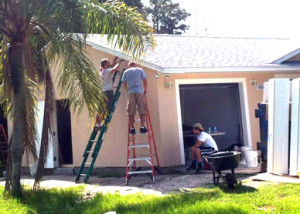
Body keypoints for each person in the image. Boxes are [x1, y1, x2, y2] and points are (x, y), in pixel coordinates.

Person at [121, 61, 147, 134]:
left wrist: (127, 90)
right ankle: (142, 127)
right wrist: (144, 89)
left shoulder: (126, 71)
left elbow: (124, 82)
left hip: (131, 92)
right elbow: (145, 80)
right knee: (142, 109)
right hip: (139, 92)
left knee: (130, 111)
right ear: (135, 65)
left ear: (129, 66)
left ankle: (132, 128)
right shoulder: (140, 70)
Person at [95, 56, 120, 128]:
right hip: (108, 92)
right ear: (105, 64)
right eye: (108, 62)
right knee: (106, 109)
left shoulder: (102, 71)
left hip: (103, 91)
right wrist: (119, 63)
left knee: (100, 109)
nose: (109, 62)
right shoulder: (107, 71)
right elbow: (115, 68)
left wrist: (114, 59)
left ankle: (97, 124)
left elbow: (112, 66)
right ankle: (99, 123)